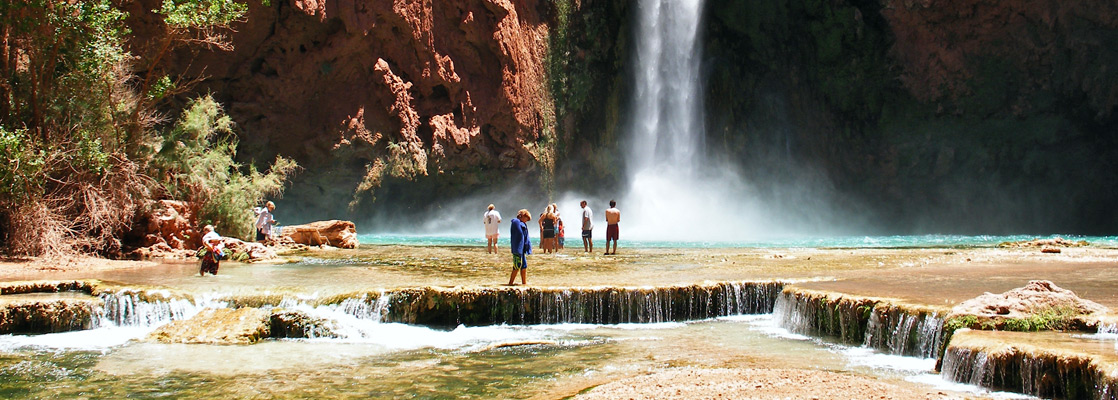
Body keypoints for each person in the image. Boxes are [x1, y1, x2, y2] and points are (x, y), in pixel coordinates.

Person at [508, 209, 532, 285]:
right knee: (516, 266)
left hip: (522, 249)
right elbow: (519, 235)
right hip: (517, 248)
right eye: (526, 219)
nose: (526, 221)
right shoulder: (516, 222)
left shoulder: (522, 224)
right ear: (522, 216)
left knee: (524, 266)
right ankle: (510, 283)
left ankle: (524, 283)